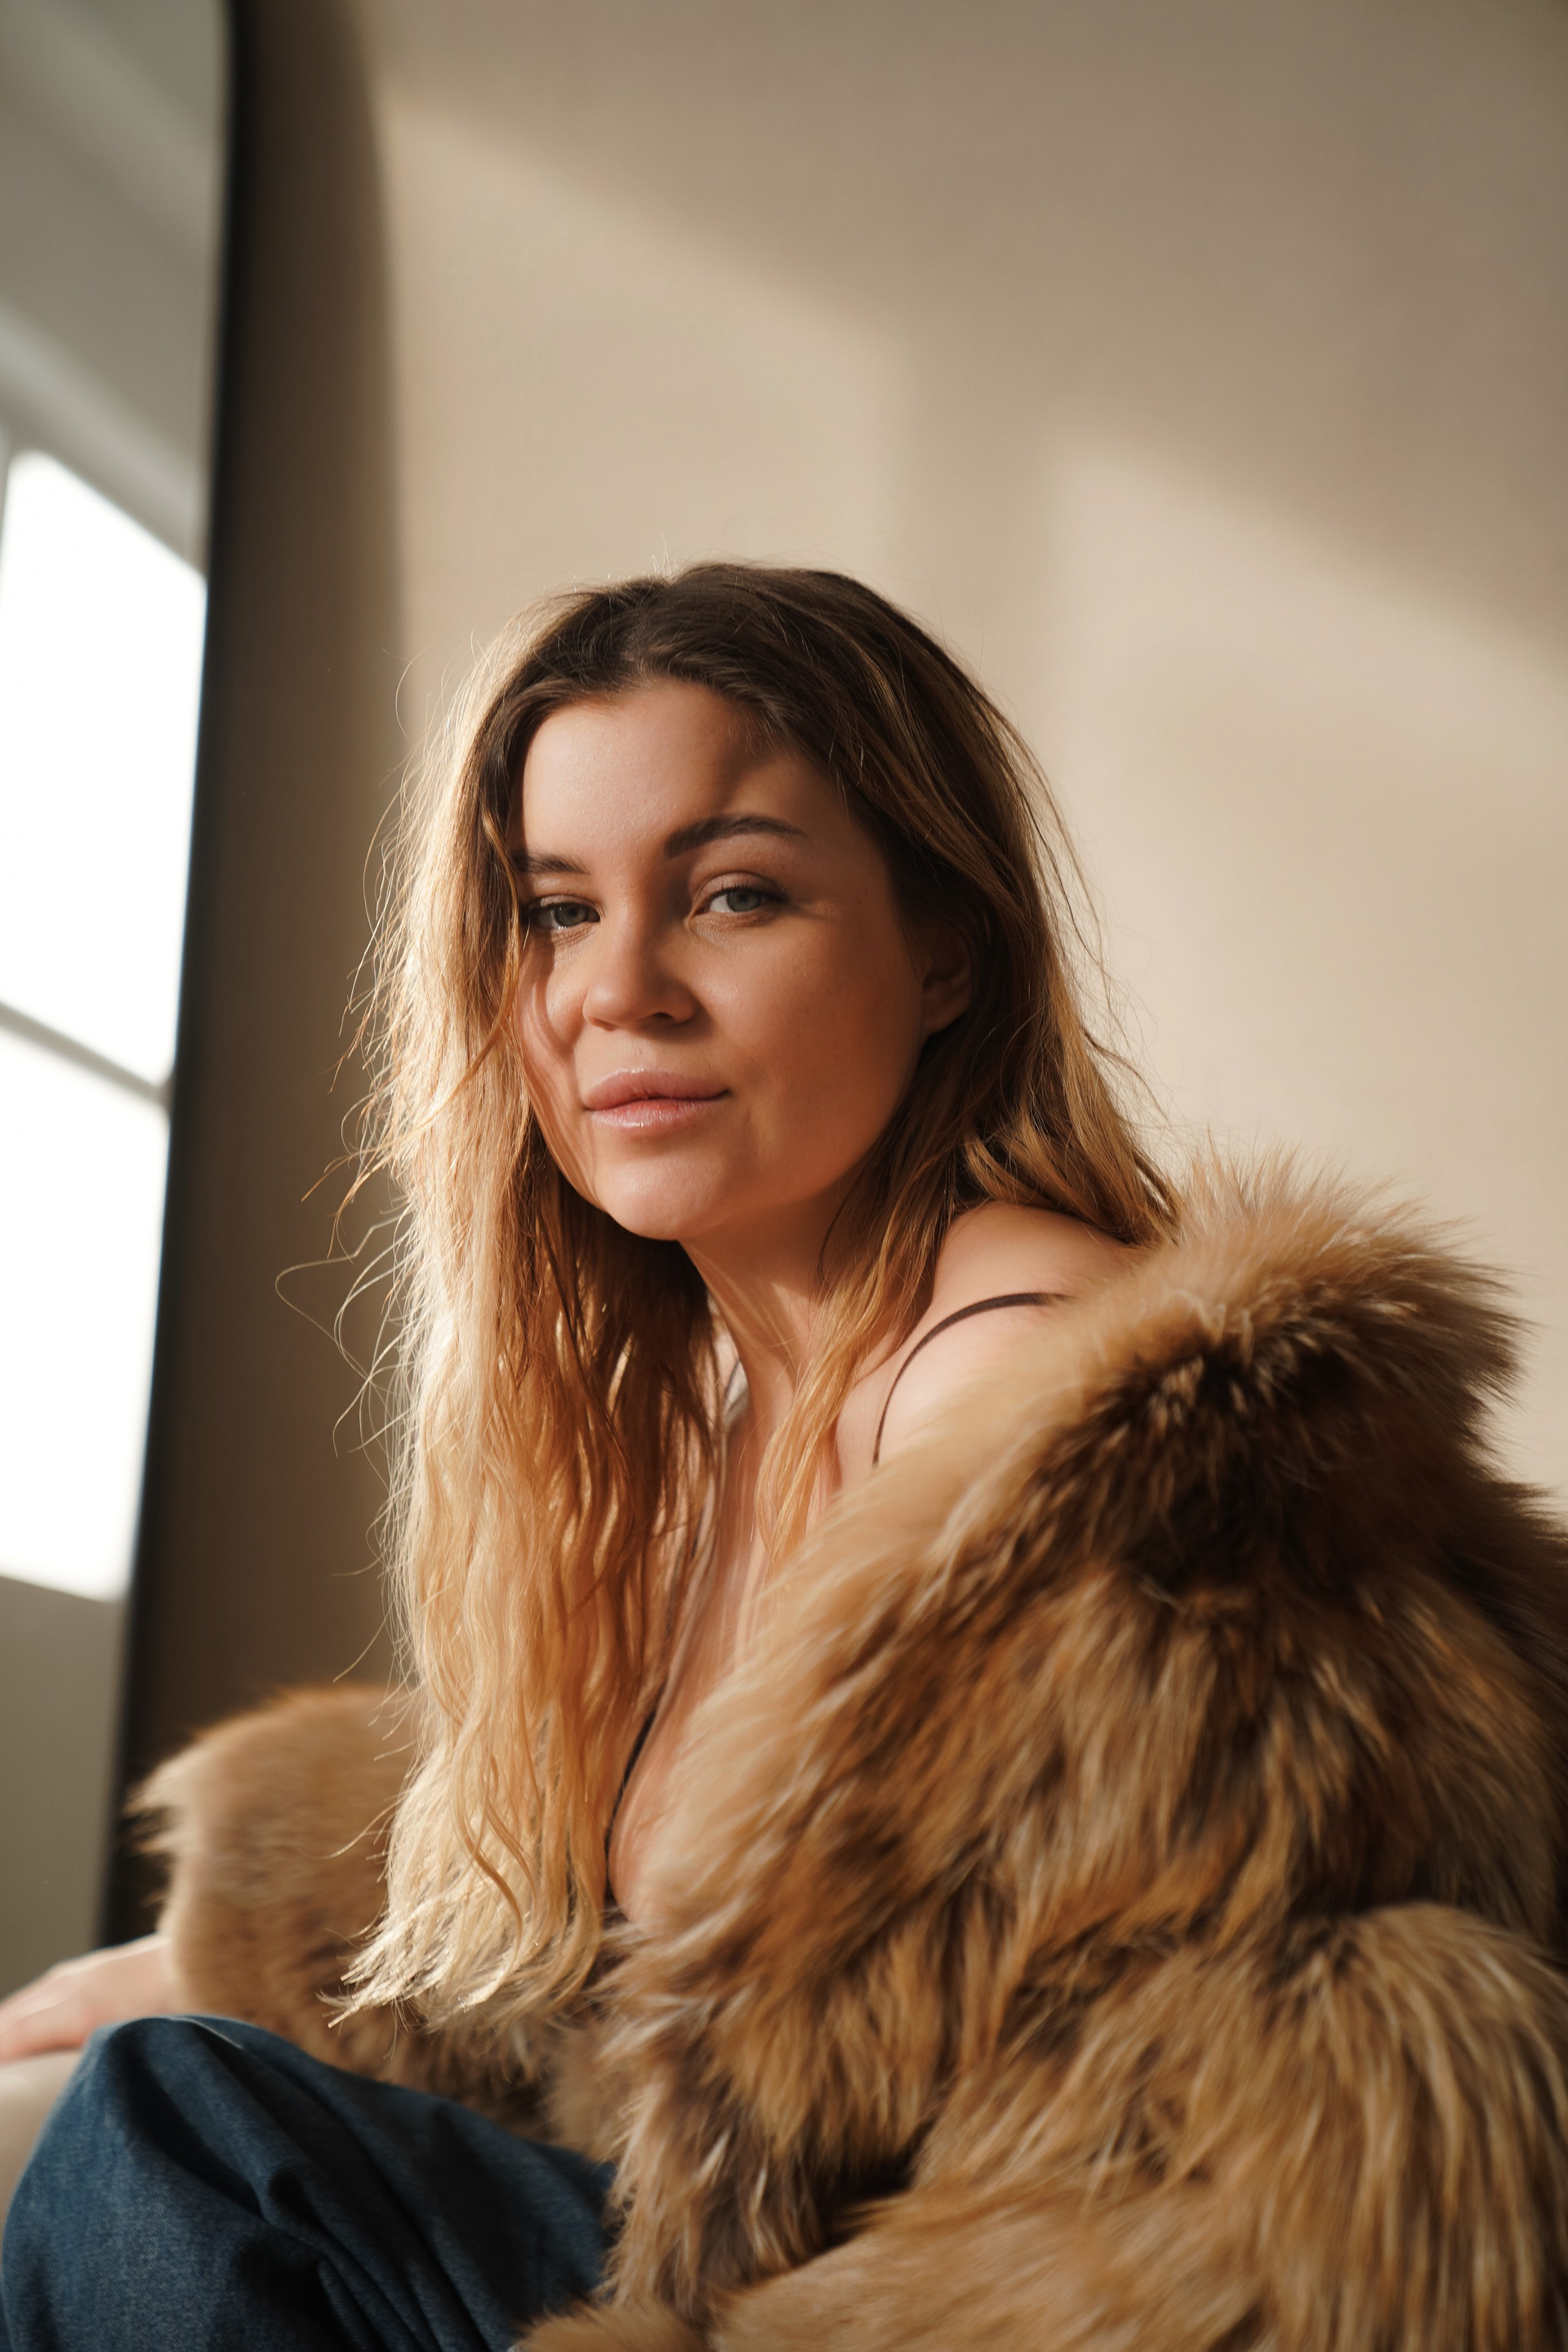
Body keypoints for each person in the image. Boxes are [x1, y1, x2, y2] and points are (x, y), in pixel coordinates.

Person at [0, 565, 1170, 2345]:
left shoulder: (1022, 1394)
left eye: (734, 895)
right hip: (723, 2261)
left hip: (930, 2310)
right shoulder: (707, 1424)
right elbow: (614, 2001)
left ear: (947, 948)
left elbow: (1077, 2127)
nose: (619, 991)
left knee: (172, 2130)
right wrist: (219, 1961)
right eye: (555, 911)